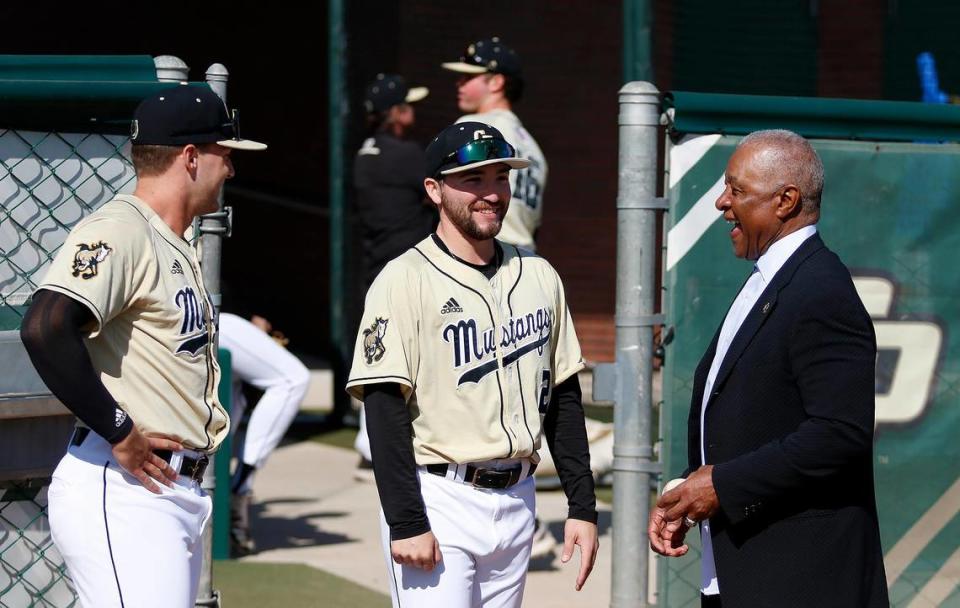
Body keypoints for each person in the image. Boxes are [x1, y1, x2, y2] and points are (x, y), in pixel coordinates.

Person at [19, 84, 266, 608]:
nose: (232, 170)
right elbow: (44, 326)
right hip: (125, 489)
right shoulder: (123, 229)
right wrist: (118, 428)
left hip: (164, 492)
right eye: (226, 155)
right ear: (192, 157)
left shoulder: (170, 238)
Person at [346, 122, 598, 607]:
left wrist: (581, 506)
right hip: (440, 499)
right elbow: (383, 408)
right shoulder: (403, 280)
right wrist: (407, 521)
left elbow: (562, 398)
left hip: (519, 499)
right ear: (434, 190)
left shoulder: (539, 275)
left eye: (500, 178)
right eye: (473, 180)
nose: (492, 194)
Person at [647, 130, 889, 607]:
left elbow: (839, 434)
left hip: (801, 579)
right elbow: (753, 416)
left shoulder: (821, 290)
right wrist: (690, 489)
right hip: (745, 570)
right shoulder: (770, 279)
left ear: (785, 200)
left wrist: (720, 486)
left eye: (736, 190)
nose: (721, 202)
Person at [352, 73, 437, 477]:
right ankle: (373, 446)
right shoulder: (405, 155)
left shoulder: (363, 153)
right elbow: (441, 192)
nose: (413, 113)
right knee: (410, 367)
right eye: (408, 106)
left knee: (383, 362)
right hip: (408, 271)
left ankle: (367, 444)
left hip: (376, 271)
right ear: (394, 112)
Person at [442, 37, 546, 251]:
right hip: (526, 258)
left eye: (469, 76)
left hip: (484, 252)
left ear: (496, 82)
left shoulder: (474, 127)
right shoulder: (534, 148)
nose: (459, 83)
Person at [219, 312, 310, 556]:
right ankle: (239, 488)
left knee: (230, 401)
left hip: (208, 317)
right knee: (292, 380)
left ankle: (227, 503)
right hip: (209, 316)